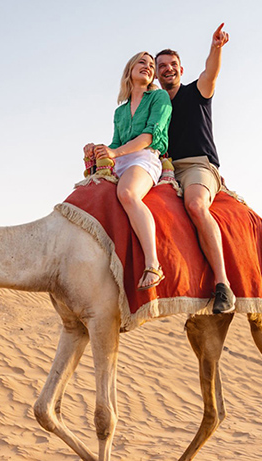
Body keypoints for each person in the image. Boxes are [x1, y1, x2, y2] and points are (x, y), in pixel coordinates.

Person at [156, 23, 235, 313]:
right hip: (163, 170)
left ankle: (223, 284)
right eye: (162, 66)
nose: (168, 69)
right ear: (156, 74)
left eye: (172, 65)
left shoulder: (197, 91)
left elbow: (211, 72)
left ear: (181, 69)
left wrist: (216, 48)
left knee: (195, 205)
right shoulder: (155, 108)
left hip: (197, 166)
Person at [84, 51, 173, 291]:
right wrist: (98, 150)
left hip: (145, 156)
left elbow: (150, 136)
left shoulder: (159, 97)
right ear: (130, 70)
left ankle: (153, 265)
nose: (148, 66)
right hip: (122, 158)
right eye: (142, 62)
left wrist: (114, 152)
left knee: (127, 193)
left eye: (151, 65)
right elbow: (115, 143)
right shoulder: (120, 112)